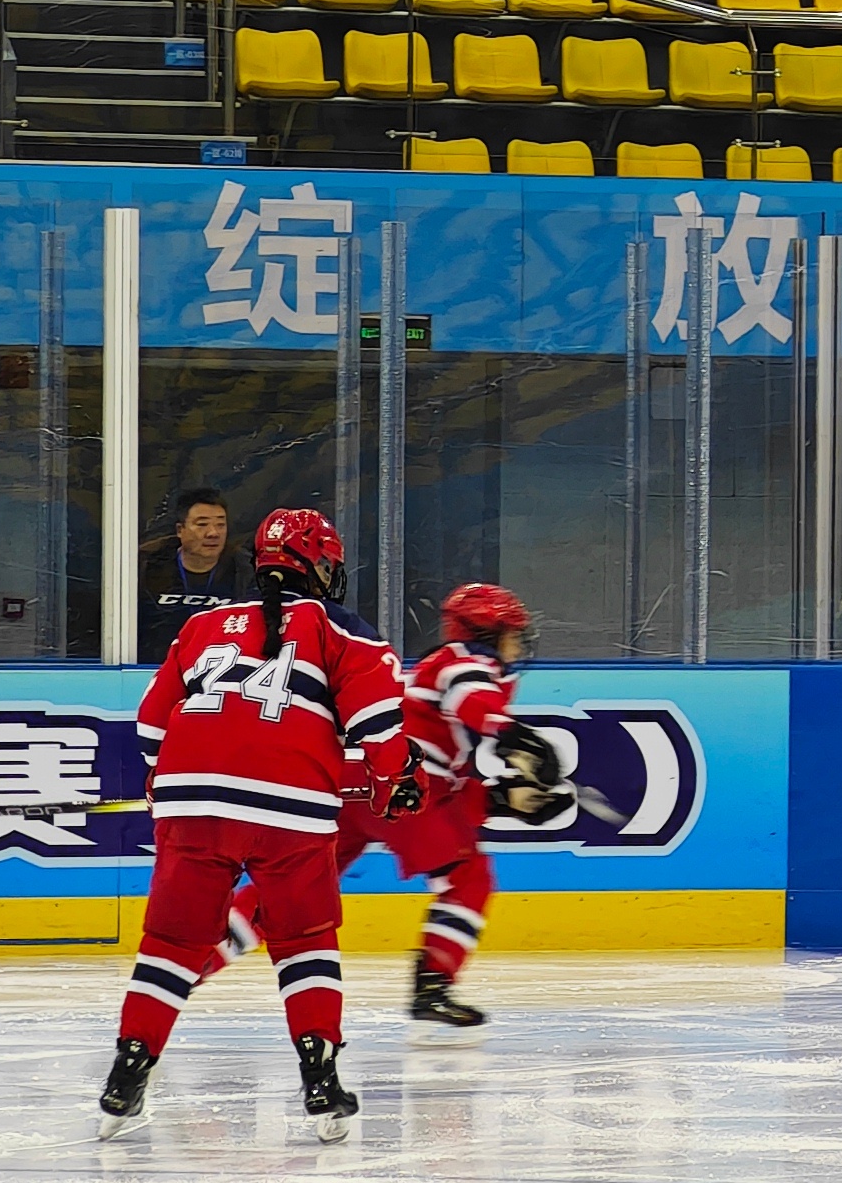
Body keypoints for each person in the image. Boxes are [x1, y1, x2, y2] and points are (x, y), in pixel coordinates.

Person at [95, 506, 403, 1143]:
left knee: (173, 945)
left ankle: (128, 1072)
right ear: (314, 564)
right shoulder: (339, 627)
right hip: (290, 806)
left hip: (191, 803)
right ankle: (320, 1077)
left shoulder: (201, 625)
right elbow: (378, 726)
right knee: (303, 939)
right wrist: (396, 781)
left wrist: (170, 789)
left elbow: (151, 728)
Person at [199, 577, 545, 1032]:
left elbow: (457, 764)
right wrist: (510, 734)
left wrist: (502, 794)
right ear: (488, 634)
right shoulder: (468, 661)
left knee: (288, 890)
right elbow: (471, 701)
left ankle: (191, 963)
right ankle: (433, 985)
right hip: (402, 786)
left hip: (353, 780)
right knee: (468, 879)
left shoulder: (433, 668)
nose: (518, 645)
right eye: (512, 634)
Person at [139, 489, 247, 646]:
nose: (213, 533)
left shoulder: (244, 571)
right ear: (180, 530)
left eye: (221, 524)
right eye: (202, 524)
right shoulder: (147, 568)